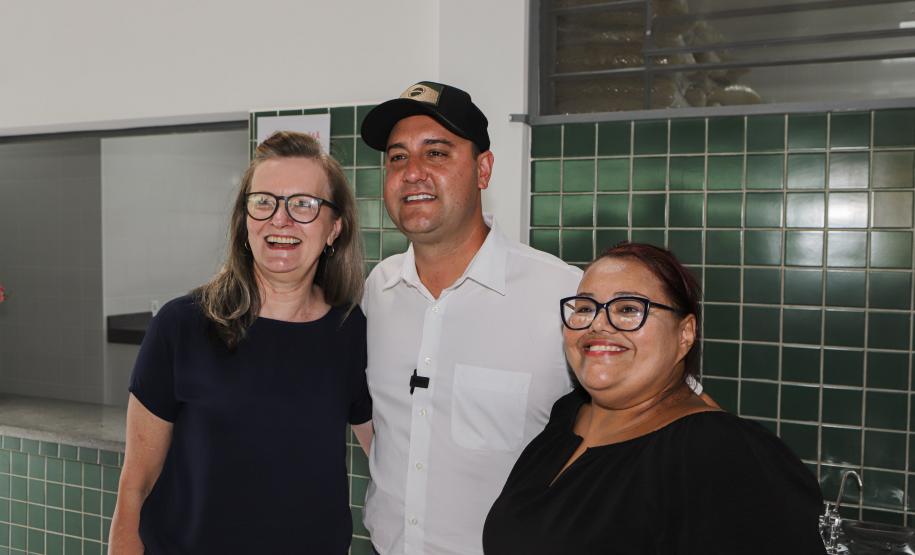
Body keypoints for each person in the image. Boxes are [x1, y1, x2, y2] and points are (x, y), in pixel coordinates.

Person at [108, 131, 373, 554]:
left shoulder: (351, 331)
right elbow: (135, 485)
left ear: (334, 229)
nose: (280, 219)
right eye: (263, 202)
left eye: (304, 204)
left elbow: (393, 458)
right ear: (245, 221)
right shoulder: (181, 326)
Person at [483, 243, 826, 555]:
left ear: (685, 333)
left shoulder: (722, 452)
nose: (598, 324)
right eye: (585, 308)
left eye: (628, 308)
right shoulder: (567, 416)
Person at [358, 81, 584, 554]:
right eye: (397, 158)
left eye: (436, 153)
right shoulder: (377, 292)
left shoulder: (562, 295)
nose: (412, 172)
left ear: (483, 170)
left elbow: (648, 418)